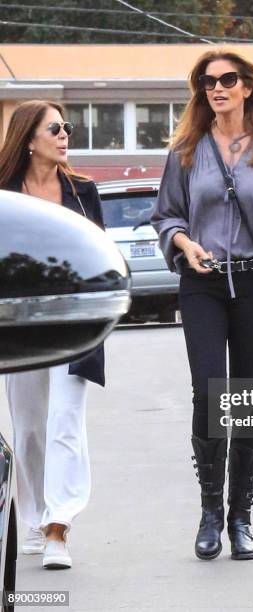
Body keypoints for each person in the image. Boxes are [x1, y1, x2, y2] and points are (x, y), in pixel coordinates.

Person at [152, 49, 253, 561]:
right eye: (207, 81)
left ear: (247, 87)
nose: (217, 88)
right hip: (201, 283)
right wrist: (183, 244)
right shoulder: (185, 148)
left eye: (228, 79)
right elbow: (166, 216)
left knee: (244, 397)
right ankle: (209, 512)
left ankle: (242, 517)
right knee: (208, 393)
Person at [0, 100, 105, 569]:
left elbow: (99, 257)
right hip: (20, 325)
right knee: (29, 429)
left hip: (73, 324)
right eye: (56, 128)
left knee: (65, 420)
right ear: (29, 139)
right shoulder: (4, 193)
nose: (65, 136)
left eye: (67, 128)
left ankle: (58, 527)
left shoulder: (83, 192)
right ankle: (32, 518)